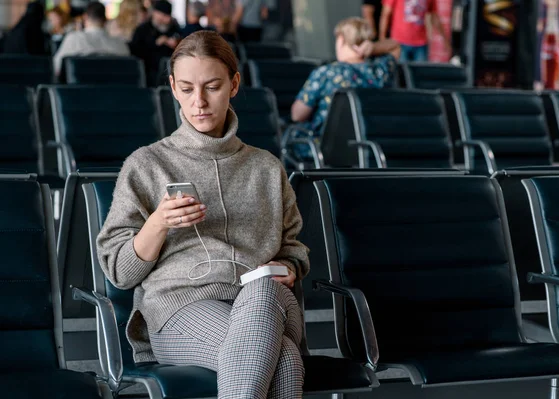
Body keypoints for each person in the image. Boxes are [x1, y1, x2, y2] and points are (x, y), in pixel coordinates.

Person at [96, 30, 310, 399]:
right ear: (173, 88)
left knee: (260, 292)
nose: (199, 102)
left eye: (212, 86)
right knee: (287, 359)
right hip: (178, 310)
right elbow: (120, 272)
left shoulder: (266, 168)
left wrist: (289, 268)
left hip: (265, 299)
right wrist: (159, 222)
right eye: (187, 88)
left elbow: (293, 249)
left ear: (234, 84)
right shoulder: (148, 165)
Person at [291, 17, 398, 143]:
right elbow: (395, 46)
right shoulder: (381, 71)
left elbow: (297, 115)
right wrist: (373, 48)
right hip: (370, 148)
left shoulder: (326, 73)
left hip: (327, 150)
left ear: (341, 40)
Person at [53, 1, 130, 76]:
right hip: (116, 88)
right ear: (105, 19)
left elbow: (57, 68)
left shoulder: (74, 39)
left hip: (79, 88)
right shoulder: (120, 44)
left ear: (85, 17)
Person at [129, 0, 181, 86]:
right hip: (148, 71)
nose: (167, 20)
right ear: (155, 14)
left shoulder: (174, 29)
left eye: (168, 16)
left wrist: (176, 44)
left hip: (170, 70)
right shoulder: (142, 30)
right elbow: (136, 51)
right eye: (164, 16)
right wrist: (155, 43)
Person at [379, 0, 449, 62]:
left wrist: (445, 41)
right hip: (399, 42)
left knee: (420, 74)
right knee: (401, 74)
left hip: (421, 43)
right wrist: (382, 40)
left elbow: (434, 17)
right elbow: (386, 13)